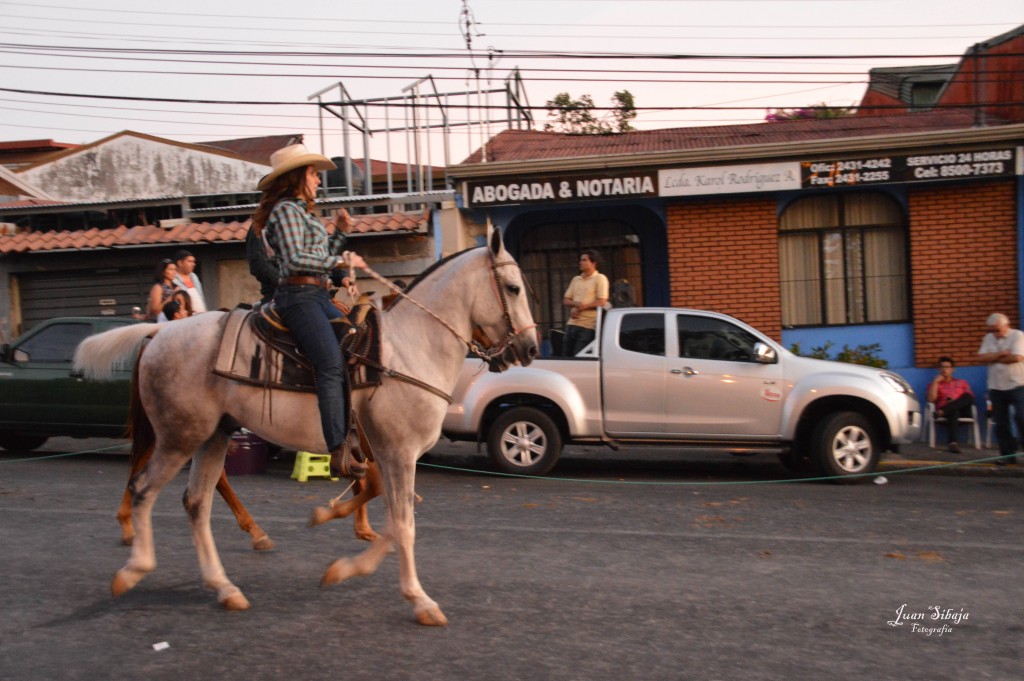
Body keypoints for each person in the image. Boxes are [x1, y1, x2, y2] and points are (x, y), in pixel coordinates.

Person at [250, 143, 368, 479]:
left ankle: (351, 428)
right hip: (298, 297)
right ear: (297, 177)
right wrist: (340, 260)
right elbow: (296, 260)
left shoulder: (303, 214)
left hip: (316, 295)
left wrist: (340, 233)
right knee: (330, 363)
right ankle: (338, 448)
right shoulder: (285, 211)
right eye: (314, 173)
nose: (318, 179)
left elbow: (319, 255)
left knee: (355, 341)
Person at [978, 312, 1024, 465]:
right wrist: (1002, 353)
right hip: (996, 386)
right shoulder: (988, 338)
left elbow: (1016, 357)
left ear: (1006, 326)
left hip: (1017, 384)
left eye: (997, 330)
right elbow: (981, 358)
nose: (995, 334)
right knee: (1001, 423)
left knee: (1021, 417)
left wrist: (993, 358)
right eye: (992, 330)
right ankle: (1007, 455)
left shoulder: (1017, 336)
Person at [561, 249, 609, 357]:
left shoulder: (600, 278)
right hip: (571, 324)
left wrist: (583, 307)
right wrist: (576, 304)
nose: (580, 262)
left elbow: (602, 301)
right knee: (566, 357)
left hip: (588, 326)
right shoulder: (576, 279)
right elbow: (566, 300)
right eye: (580, 260)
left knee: (579, 357)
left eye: (584, 260)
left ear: (594, 263)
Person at [926, 356, 975, 453]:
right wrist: (935, 382)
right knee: (953, 411)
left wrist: (954, 402)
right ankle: (953, 443)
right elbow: (931, 400)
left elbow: (970, 399)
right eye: (942, 367)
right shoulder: (934, 384)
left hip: (962, 410)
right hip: (949, 414)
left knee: (967, 396)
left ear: (952, 369)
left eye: (947, 367)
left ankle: (944, 410)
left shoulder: (962, 382)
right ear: (938, 369)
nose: (944, 369)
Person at [172, 249, 208, 313]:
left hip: (202, 314)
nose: (193, 264)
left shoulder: (194, 276)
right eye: (190, 261)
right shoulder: (173, 279)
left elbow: (201, 296)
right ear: (180, 263)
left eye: (193, 262)